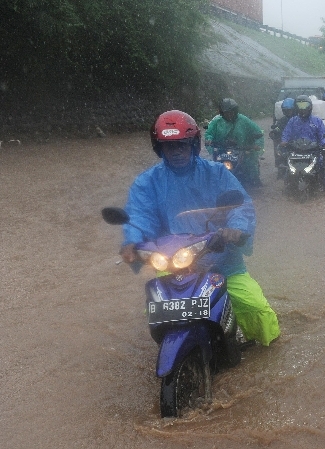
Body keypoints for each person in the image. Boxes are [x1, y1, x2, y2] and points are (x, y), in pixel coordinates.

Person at [119, 110, 280, 346]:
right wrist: (132, 241)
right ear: (159, 148)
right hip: (174, 263)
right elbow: (139, 215)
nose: (176, 152)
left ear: (194, 145)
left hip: (222, 261)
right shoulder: (147, 182)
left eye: (182, 145)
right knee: (156, 311)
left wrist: (235, 228)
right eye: (169, 147)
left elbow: (241, 206)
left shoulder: (217, 173)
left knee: (256, 306)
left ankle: (271, 348)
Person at [205, 98, 264, 188]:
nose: (229, 115)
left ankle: (254, 181)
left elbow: (257, 132)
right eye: (226, 113)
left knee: (251, 166)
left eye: (231, 112)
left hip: (242, 150)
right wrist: (209, 140)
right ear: (222, 113)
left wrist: (257, 145)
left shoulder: (244, 120)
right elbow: (209, 133)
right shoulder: (216, 121)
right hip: (221, 150)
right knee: (210, 167)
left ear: (235, 111)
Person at [280, 95, 325, 192]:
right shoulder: (292, 121)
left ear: (310, 106)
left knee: (322, 168)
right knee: (287, 170)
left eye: (305, 105)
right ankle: (288, 186)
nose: (303, 108)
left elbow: (323, 134)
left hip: (313, 151)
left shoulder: (317, 121)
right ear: (296, 107)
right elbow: (286, 133)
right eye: (300, 106)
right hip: (296, 152)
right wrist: (284, 141)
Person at [270, 98, 295, 178]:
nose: (288, 112)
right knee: (279, 154)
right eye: (286, 111)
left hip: (299, 143)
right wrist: (274, 132)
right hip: (286, 143)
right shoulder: (282, 120)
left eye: (289, 110)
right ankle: (281, 170)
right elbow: (278, 128)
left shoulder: (299, 119)